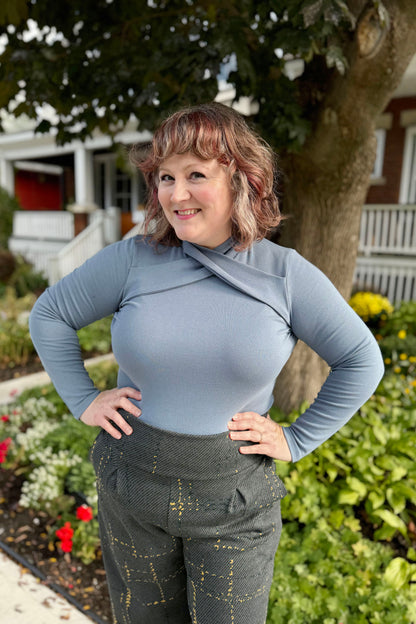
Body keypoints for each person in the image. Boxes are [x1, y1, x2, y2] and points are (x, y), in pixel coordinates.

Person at [29, 102, 384, 624]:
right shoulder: (134, 258)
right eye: (166, 177)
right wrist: (83, 399)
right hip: (133, 489)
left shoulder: (284, 274)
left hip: (235, 501)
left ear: (242, 180)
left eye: (196, 174)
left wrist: (297, 438)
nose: (176, 194)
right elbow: (51, 314)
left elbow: (360, 359)